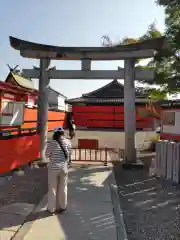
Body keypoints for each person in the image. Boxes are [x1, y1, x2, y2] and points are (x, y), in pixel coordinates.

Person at [45, 127, 72, 214]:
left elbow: (47, 154)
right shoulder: (68, 142)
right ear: (63, 133)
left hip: (53, 168)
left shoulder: (51, 143)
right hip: (64, 168)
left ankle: (51, 208)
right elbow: (69, 154)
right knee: (63, 187)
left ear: (55, 134)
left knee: (52, 188)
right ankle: (63, 206)